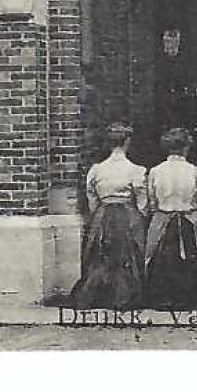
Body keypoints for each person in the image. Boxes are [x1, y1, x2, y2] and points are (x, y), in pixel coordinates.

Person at [69, 122, 149, 310]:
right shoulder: (136, 170)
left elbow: (91, 196)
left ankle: (99, 294)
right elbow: (142, 201)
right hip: (126, 214)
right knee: (126, 255)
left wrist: (98, 213)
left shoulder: (97, 169)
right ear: (127, 142)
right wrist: (140, 216)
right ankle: (124, 295)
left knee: (100, 254)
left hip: (102, 213)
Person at [143, 127, 197, 310]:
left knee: (158, 256)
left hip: (163, 217)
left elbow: (152, 201)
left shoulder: (155, 171)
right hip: (190, 217)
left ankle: (162, 296)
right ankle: (191, 296)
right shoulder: (196, 171)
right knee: (194, 256)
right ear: (186, 147)